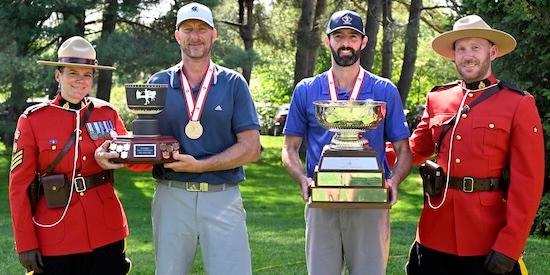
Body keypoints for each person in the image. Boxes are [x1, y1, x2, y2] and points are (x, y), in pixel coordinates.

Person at [94, 2, 261, 274]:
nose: (195, 36)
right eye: (188, 29)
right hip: (172, 197)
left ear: (213, 35)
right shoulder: (158, 81)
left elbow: (252, 149)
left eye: (202, 29)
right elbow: (146, 140)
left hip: (223, 196)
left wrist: (201, 165)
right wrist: (115, 150)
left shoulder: (233, 83)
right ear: (177, 36)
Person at [401, 15, 544, 275]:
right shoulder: (438, 98)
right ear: (453, 55)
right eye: (461, 49)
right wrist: (366, 159)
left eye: (475, 47)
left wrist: (511, 244)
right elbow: (414, 150)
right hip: (435, 232)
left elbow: (529, 182)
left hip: (486, 238)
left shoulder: (518, 103)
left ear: (492, 51)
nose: (468, 55)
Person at [281, 10, 413, 275]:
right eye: (339, 36)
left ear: (363, 42)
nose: (346, 43)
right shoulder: (306, 90)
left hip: (370, 202)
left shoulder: (384, 90)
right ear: (327, 40)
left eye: (352, 37)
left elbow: (403, 150)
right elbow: (289, 148)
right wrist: (302, 179)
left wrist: (394, 181)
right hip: (321, 200)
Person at [9, 36, 132, 274]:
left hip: (106, 227)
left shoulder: (106, 113)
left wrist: (156, 147)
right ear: (58, 75)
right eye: (72, 73)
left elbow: (133, 159)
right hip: (56, 230)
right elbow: (19, 186)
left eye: (87, 74)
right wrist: (25, 242)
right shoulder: (34, 120)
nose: (80, 80)